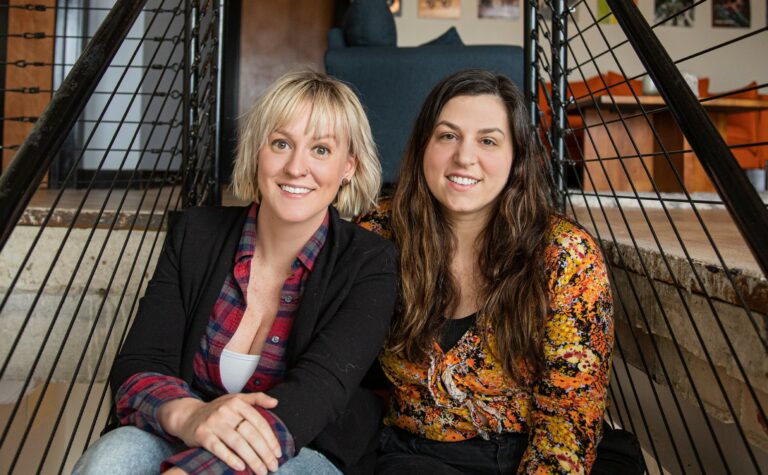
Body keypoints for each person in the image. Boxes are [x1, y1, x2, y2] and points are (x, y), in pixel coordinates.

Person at [73, 71, 398, 475]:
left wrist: (190, 472)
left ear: (348, 166)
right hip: (191, 425)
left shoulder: (371, 263)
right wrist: (189, 416)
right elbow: (141, 362)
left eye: (320, 150)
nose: (297, 167)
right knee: (113, 459)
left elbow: (317, 394)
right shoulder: (196, 234)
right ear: (256, 152)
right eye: (281, 144)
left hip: (300, 445)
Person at [356, 69, 614, 474]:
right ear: (423, 145)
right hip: (409, 456)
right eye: (448, 136)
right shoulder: (378, 234)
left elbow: (569, 417)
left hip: (525, 455)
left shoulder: (565, 255)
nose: (464, 157)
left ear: (517, 158)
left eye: (489, 141)